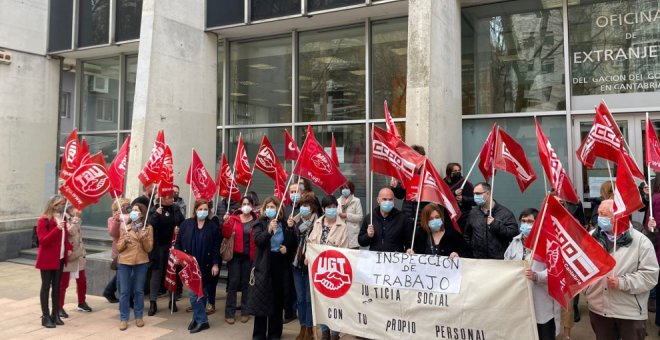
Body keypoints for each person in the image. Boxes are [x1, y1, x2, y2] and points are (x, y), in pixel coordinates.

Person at [586, 199, 659, 340]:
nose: (600, 218)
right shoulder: (590, 238)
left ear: (619, 216)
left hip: (629, 311)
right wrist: (586, 289)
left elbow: (650, 276)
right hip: (599, 308)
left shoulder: (641, 242)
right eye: (599, 214)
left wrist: (622, 283)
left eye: (604, 214)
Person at [504, 208, 560, 340]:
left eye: (530, 221)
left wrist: (537, 276)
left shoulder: (548, 244)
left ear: (537, 223)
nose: (525, 224)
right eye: (523, 221)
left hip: (542, 302)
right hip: (520, 302)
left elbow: (555, 270)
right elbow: (506, 262)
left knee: (544, 334)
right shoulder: (515, 242)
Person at [248, 196, 296, 340]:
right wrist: (269, 230)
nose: (270, 209)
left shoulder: (284, 223)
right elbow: (258, 241)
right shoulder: (260, 223)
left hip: (279, 264)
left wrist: (287, 244)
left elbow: (292, 242)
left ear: (278, 209)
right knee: (262, 299)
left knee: (277, 299)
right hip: (263, 264)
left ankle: (275, 333)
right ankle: (259, 334)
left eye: (273, 207)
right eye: (268, 207)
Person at [175, 199, 220, 334]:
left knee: (203, 293)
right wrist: (178, 256)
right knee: (193, 294)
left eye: (205, 209)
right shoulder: (186, 224)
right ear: (195, 210)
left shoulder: (213, 226)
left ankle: (197, 318)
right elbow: (178, 243)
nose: (203, 212)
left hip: (206, 264)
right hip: (190, 265)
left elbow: (216, 247)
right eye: (200, 209)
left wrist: (215, 264)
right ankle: (202, 320)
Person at [308, 195, 348, 340]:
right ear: (323, 209)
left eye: (334, 207)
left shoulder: (342, 226)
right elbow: (310, 243)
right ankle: (325, 332)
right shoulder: (318, 223)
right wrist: (308, 256)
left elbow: (344, 250)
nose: (332, 210)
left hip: (334, 270)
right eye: (329, 207)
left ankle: (335, 333)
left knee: (335, 301)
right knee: (321, 301)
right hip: (319, 269)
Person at [35, 195, 72, 328]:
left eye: (64, 203)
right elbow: (43, 241)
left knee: (57, 286)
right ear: (53, 205)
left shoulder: (62, 218)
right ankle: (45, 316)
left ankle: (55, 313)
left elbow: (64, 239)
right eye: (61, 204)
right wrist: (57, 229)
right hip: (47, 258)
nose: (63, 206)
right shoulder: (43, 220)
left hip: (60, 258)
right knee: (46, 286)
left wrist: (69, 248)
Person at [222, 196, 259, 324]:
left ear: (252, 205)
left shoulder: (256, 220)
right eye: (244, 203)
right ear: (240, 205)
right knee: (233, 283)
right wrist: (226, 223)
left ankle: (245, 311)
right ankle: (229, 313)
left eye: (248, 203)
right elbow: (226, 235)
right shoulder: (233, 218)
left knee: (246, 285)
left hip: (249, 257)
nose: (246, 205)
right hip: (235, 256)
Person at [116, 203, 153, 331]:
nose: (133, 212)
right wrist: (124, 241)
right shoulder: (125, 227)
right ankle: (124, 318)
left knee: (139, 290)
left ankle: (139, 316)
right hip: (125, 262)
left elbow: (149, 248)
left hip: (141, 262)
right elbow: (118, 248)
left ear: (142, 214)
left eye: (136, 210)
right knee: (124, 291)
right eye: (132, 210)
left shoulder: (148, 228)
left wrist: (143, 239)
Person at [288, 195, 319, 340]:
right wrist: (289, 229)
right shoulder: (295, 221)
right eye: (302, 205)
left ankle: (309, 328)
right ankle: (302, 326)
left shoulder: (318, 222)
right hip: (297, 264)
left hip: (311, 264)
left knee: (308, 299)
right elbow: (290, 243)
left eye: (307, 205)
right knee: (300, 299)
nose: (303, 208)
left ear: (313, 207)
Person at [147, 194, 184, 316]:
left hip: (172, 245)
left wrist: (179, 228)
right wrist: (157, 213)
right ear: (162, 198)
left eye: (173, 197)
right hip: (158, 247)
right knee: (156, 273)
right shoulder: (154, 209)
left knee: (172, 272)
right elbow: (150, 223)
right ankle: (153, 302)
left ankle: (172, 300)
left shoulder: (175, 208)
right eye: (169, 197)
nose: (172, 199)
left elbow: (182, 222)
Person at [462, 182, 518, 259]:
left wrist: (495, 224)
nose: (475, 197)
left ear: (488, 193)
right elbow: (467, 234)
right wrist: (473, 249)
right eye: (474, 194)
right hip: (477, 260)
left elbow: (513, 235)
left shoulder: (505, 213)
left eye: (478, 194)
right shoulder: (473, 212)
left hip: (498, 261)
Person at [58, 205, 92, 318]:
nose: (78, 209)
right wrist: (77, 218)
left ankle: (81, 302)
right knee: (63, 283)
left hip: (79, 254)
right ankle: (59, 307)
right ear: (68, 208)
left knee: (82, 280)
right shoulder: (62, 217)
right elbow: (70, 231)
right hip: (69, 254)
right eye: (74, 207)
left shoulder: (74, 217)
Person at [358, 188, 413, 252]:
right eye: (384, 199)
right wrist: (368, 236)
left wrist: (408, 249)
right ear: (378, 200)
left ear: (394, 201)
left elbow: (409, 241)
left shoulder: (402, 218)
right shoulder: (370, 218)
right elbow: (361, 242)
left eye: (390, 199)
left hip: (394, 259)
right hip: (375, 259)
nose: (388, 202)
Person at [390, 145, 427, 225]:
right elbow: (400, 195)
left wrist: (421, 196)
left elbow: (433, 196)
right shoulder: (406, 172)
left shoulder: (427, 174)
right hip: (407, 213)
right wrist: (395, 187)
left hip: (422, 214)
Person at [104, 198, 131, 303]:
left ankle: (109, 291)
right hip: (119, 249)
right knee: (121, 272)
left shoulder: (132, 217)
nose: (128, 207)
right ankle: (112, 292)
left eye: (129, 204)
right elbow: (113, 234)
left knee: (121, 273)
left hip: (130, 248)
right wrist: (116, 221)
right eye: (125, 205)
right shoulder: (112, 219)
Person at [443, 162, 474, 230]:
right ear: (449, 172)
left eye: (459, 170)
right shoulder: (443, 183)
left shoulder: (465, 183)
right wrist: (454, 193)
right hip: (449, 217)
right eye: (455, 171)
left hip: (464, 216)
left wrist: (463, 199)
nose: (458, 172)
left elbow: (475, 200)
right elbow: (442, 196)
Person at [337, 181, 363, 249]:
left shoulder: (356, 201)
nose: (344, 190)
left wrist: (347, 215)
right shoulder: (338, 201)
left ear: (351, 189)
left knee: (353, 256)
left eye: (347, 188)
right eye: (343, 188)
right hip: (340, 233)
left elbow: (360, 217)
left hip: (353, 234)